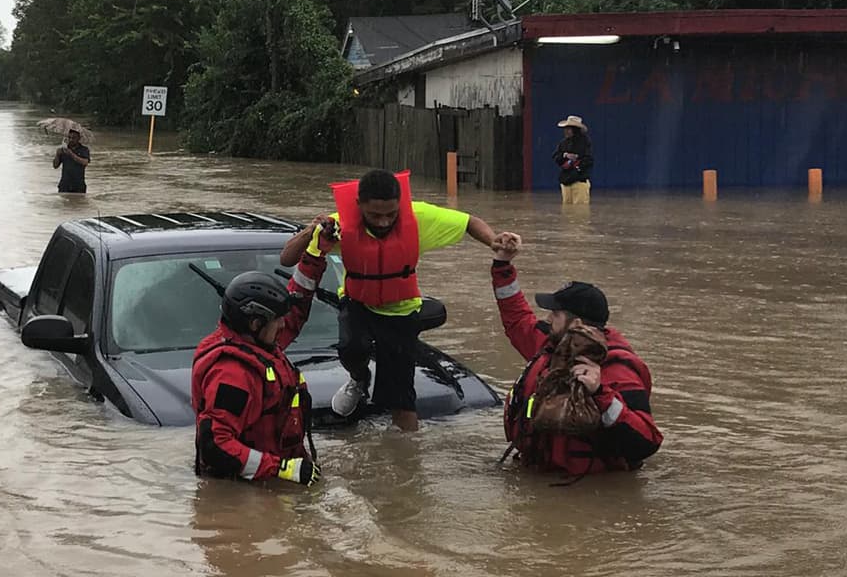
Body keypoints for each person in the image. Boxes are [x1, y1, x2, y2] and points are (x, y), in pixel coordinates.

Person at [278, 168, 504, 432]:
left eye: (391, 214)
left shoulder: (418, 217)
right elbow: (287, 258)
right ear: (359, 205)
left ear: (400, 205)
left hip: (401, 313)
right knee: (351, 347)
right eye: (375, 215)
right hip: (357, 304)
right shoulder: (339, 225)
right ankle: (359, 379)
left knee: (403, 402)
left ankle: (405, 448)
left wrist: (494, 241)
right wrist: (310, 231)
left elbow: (469, 222)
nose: (384, 222)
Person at [490, 232, 662, 476]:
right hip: (537, 474)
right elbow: (517, 318)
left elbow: (647, 442)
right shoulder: (550, 345)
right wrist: (502, 265)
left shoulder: (617, 368)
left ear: (577, 324)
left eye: (555, 314)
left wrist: (601, 394)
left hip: (589, 487)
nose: (548, 319)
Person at [192, 217, 338, 486]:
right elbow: (215, 446)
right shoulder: (232, 374)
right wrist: (281, 469)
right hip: (249, 489)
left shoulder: (258, 341)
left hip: (276, 476)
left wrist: (315, 253)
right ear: (255, 323)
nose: (284, 325)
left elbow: (296, 307)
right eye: (277, 320)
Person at [553, 115, 593, 204]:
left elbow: (589, 160)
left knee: (580, 209)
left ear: (575, 129)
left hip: (579, 181)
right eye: (565, 128)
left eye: (568, 128)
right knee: (566, 209)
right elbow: (556, 157)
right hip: (565, 181)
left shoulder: (585, 142)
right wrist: (565, 155)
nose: (566, 131)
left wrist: (577, 167)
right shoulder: (563, 143)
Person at [52, 128, 91, 193]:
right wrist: (57, 155)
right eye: (69, 137)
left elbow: (85, 162)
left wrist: (71, 154)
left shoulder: (84, 149)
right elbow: (55, 166)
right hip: (64, 185)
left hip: (78, 185)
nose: (71, 140)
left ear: (79, 138)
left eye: (73, 138)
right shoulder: (64, 149)